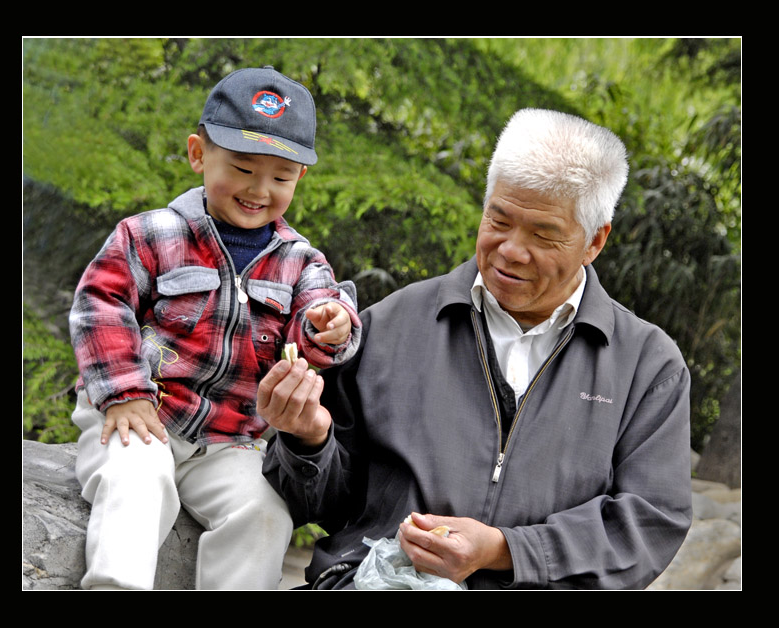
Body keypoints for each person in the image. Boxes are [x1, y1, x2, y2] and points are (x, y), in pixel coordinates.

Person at [258, 108, 693, 589]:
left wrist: (507, 551)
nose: (510, 250)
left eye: (544, 235)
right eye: (499, 220)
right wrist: (307, 441)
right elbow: (319, 505)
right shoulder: (391, 325)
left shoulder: (647, 367)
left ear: (594, 241)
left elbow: (649, 524)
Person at [69, 66, 362, 590]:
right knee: (139, 480)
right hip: (141, 415)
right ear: (198, 154)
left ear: (300, 179)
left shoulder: (301, 261)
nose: (258, 189)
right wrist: (122, 394)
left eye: (280, 177)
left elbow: (314, 317)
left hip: (230, 440)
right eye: (243, 168)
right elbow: (100, 302)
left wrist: (329, 328)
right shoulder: (150, 234)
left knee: (265, 513)